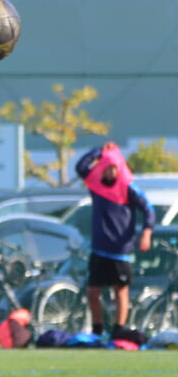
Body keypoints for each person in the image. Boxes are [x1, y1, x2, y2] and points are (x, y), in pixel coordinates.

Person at [75, 142, 154, 339]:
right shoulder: (96, 185)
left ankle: (118, 329)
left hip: (120, 249)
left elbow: (148, 209)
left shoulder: (128, 188)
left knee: (120, 290)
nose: (110, 172)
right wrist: (99, 151)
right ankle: (97, 329)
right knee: (93, 292)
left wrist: (146, 233)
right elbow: (81, 167)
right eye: (107, 167)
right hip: (99, 248)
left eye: (114, 167)